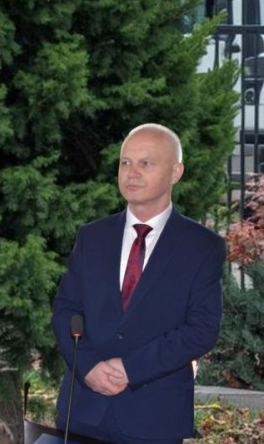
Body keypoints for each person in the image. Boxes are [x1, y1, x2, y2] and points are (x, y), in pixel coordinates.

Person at [51, 123, 225, 444]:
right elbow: (66, 310)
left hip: (154, 418)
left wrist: (131, 368)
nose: (132, 173)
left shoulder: (203, 247)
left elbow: (201, 329)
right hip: (82, 413)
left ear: (175, 172)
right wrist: (87, 367)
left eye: (146, 163)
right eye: (125, 162)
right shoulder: (92, 237)